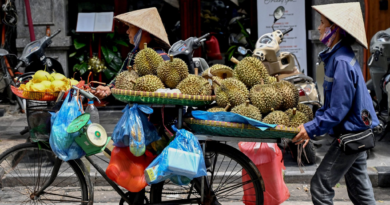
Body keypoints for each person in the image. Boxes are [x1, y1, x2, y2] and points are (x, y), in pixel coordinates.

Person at [292, 2, 378, 205]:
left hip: (352, 135)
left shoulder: (340, 62)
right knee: (361, 193)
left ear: (335, 30)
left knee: (320, 186)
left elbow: (338, 109)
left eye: (323, 24)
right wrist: (310, 128)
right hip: (357, 133)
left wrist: (310, 128)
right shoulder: (339, 57)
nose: (319, 28)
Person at [92, 7, 170, 99]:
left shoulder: (162, 57)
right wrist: (108, 89)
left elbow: (169, 87)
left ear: (143, 31)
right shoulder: (134, 54)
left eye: (131, 27)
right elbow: (123, 76)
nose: (127, 31)